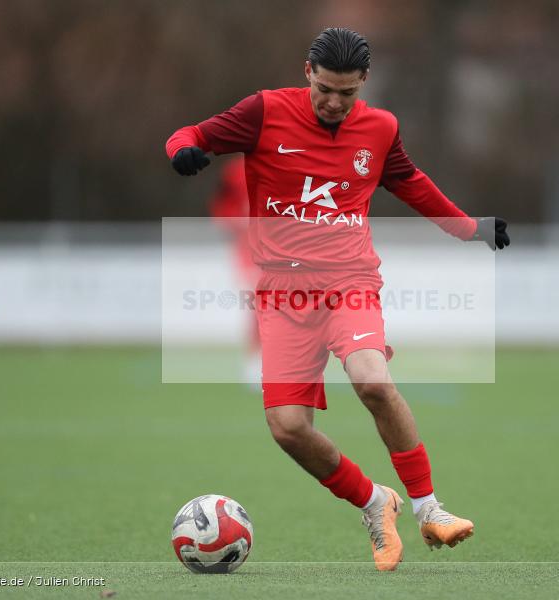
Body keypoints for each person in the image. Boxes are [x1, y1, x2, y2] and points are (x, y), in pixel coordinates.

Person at [166, 27, 509, 571]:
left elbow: (410, 181)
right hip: (282, 291)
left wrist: (470, 228)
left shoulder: (380, 128)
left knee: (372, 378)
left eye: (346, 93)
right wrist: (184, 150)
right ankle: (376, 503)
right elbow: (190, 133)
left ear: (363, 84)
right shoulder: (264, 112)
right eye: (325, 88)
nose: (333, 102)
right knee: (288, 428)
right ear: (308, 72)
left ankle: (428, 509)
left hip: (350, 281)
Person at [208, 156, 262, 390]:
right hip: (249, 249)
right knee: (260, 305)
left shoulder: (290, 158)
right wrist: (234, 221)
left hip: (283, 246)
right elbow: (221, 205)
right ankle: (255, 362)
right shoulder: (234, 170)